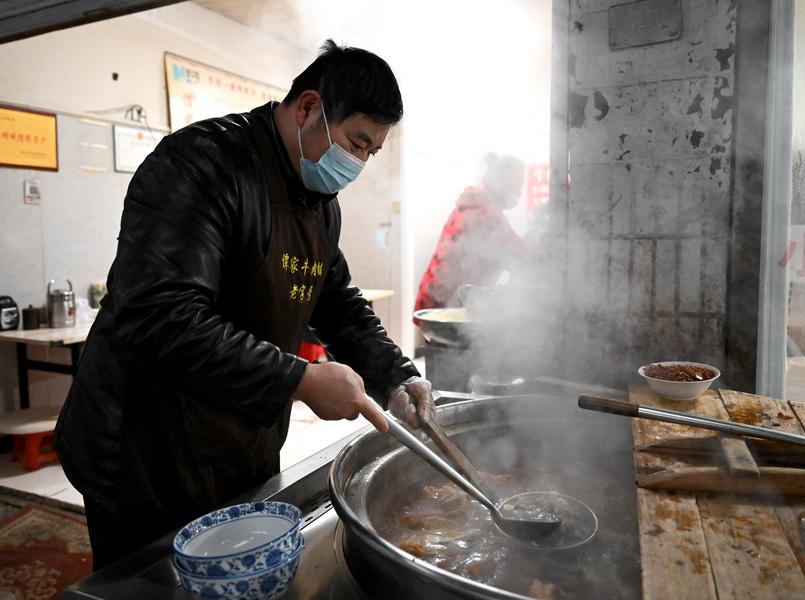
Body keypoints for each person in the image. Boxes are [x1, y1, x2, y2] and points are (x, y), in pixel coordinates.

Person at [55, 40, 435, 569]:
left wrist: (395, 376)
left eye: (370, 153)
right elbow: (160, 316)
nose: (358, 163)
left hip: (237, 441)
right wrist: (300, 380)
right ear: (308, 108)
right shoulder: (200, 164)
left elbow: (337, 302)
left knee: (233, 574)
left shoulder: (319, 203)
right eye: (356, 143)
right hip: (146, 447)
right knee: (149, 581)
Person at [414, 153, 529, 315]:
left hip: (435, 301)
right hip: (444, 308)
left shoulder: (475, 202)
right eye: (517, 188)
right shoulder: (487, 214)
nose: (519, 194)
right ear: (504, 186)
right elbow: (520, 255)